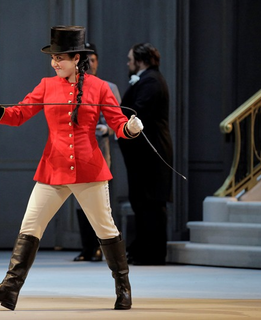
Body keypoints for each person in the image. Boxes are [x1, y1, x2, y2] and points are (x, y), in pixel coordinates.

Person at [0, 26, 144, 311]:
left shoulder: (100, 87)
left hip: (89, 170)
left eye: (60, 58)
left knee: (105, 229)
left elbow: (117, 125)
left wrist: (131, 128)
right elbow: (20, 113)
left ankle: (123, 288)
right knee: (31, 226)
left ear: (77, 58)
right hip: (53, 168)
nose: (55, 63)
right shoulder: (46, 85)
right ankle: (9, 289)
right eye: (52, 57)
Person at [117, 43, 173, 266]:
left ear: (141, 60)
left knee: (150, 203)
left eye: (131, 59)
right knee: (142, 202)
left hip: (151, 154)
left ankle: (152, 253)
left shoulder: (151, 81)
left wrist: (117, 117)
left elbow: (137, 112)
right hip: (144, 155)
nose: (128, 62)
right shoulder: (149, 78)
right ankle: (143, 249)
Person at [72, 42, 122, 262]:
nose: (89, 64)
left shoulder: (108, 86)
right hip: (77, 149)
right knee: (79, 201)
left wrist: (107, 129)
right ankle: (87, 247)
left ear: (97, 62)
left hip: (100, 148)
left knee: (100, 202)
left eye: (92, 60)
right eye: (86, 61)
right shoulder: (73, 85)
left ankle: (101, 248)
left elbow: (117, 118)